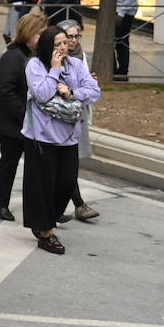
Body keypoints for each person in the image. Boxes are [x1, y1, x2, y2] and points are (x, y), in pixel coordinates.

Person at [22, 25, 101, 255]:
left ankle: (44, 220)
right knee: (43, 186)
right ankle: (46, 233)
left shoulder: (76, 65)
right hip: (42, 138)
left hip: (68, 138)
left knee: (66, 185)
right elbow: (43, 94)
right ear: (47, 46)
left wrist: (72, 93)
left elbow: (94, 91)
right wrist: (54, 70)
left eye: (65, 43)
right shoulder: (34, 65)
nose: (63, 48)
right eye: (57, 44)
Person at [0, 12, 48, 222]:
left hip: (33, 123)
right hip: (12, 124)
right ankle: (1, 204)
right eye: (40, 33)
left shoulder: (38, 57)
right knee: (9, 164)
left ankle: (46, 208)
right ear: (28, 33)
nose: (44, 37)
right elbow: (5, 91)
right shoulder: (13, 57)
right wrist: (27, 117)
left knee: (39, 168)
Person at [57, 20, 101, 222]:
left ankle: (67, 205)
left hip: (77, 114)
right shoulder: (51, 60)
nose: (72, 42)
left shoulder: (80, 57)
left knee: (70, 163)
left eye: (76, 37)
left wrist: (79, 89)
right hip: (58, 118)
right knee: (66, 165)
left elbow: (91, 90)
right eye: (68, 37)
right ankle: (77, 204)